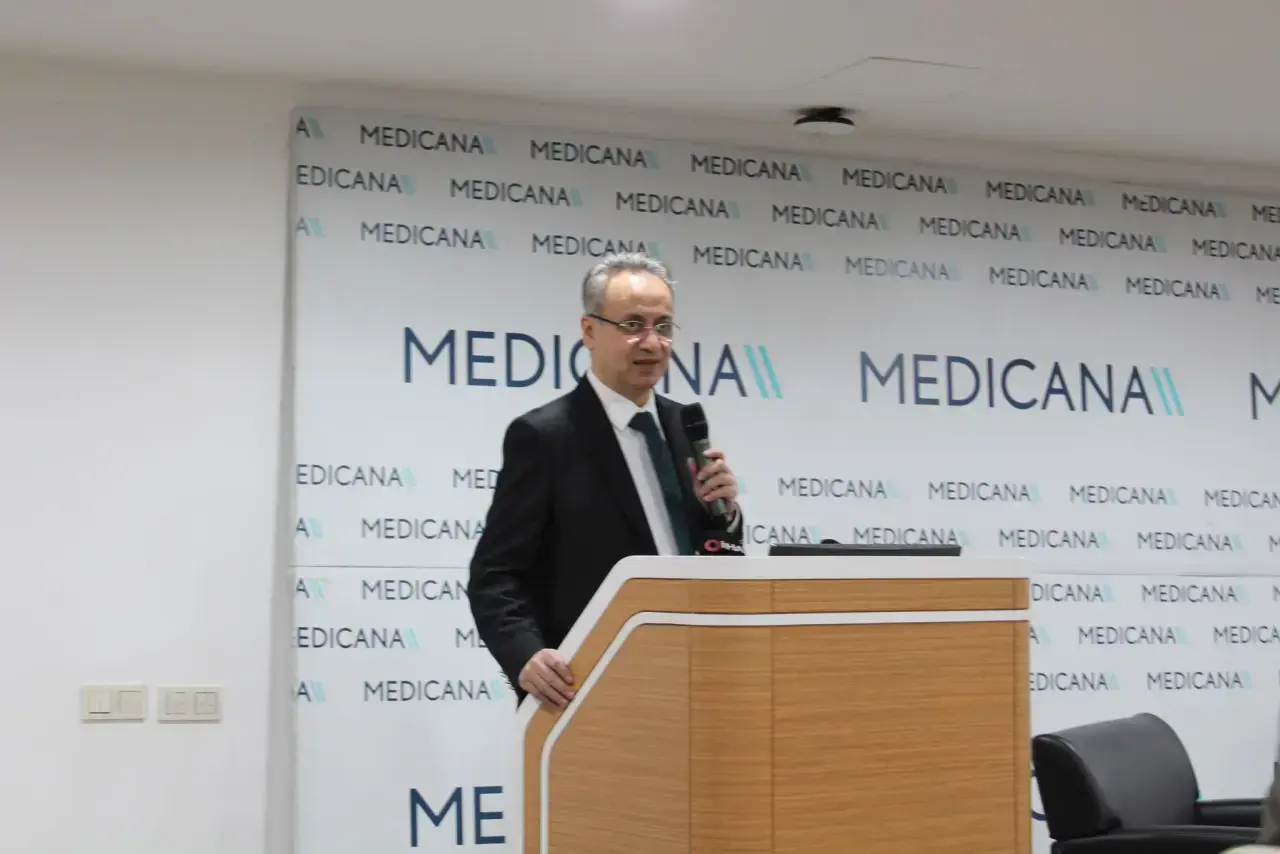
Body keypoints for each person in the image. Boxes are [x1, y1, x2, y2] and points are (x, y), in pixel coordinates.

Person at [467, 252, 744, 709]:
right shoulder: (545, 436)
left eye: (663, 326)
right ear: (590, 331)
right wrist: (526, 655)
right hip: (589, 686)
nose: (651, 342)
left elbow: (713, 560)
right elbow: (495, 576)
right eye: (633, 325)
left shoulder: (683, 426)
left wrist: (725, 515)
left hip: (694, 676)